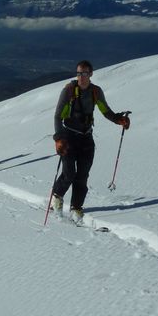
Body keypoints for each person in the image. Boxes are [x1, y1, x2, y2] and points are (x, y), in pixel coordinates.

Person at [51, 60, 130, 224]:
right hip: (68, 137)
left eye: (84, 73)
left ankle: (76, 207)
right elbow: (58, 115)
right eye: (79, 73)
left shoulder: (96, 91)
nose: (81, 77)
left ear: (91, 74)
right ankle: (57, 197)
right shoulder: (69, 90)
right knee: (69, 173)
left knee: (82, 176)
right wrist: (59, 138)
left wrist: (118, 119)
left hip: (87, 138)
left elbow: (105, 110)